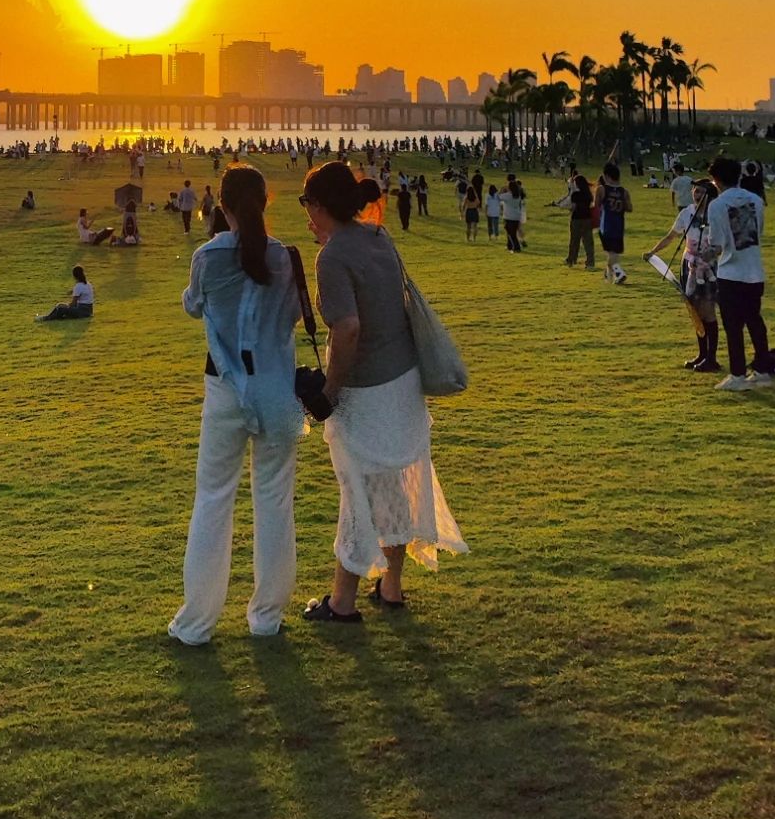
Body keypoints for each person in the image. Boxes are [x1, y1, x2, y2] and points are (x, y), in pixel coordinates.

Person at [299, 162, 466, 623]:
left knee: (358, 490)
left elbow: (348, 328)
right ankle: (390, 586)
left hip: (364, 390)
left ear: (318, 204)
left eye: (306, 204)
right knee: (394, 482)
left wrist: (329, 392)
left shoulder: (332, 257)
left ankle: (342, 601)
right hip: (403, 383)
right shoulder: (378, 237)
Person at [168, 164, 302, 646]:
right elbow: (289, 318)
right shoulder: (285, 258)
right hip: (275, 388)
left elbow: (193, 306)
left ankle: (196, 623)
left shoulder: (208, 256)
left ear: (221, 206)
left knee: (213, 500)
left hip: (224, 388)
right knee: (274, 503)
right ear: (265, 202)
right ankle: (266, 618)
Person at [706, 156, 775, 390]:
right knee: (755, 322)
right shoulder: (756, 200)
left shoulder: (716, 205)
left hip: (731, 274)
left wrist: (704, 255)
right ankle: (762, 369)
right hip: (755, 271)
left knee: (733, 327)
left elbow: (717, 245)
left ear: (716, 180)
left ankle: (737, 375)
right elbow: (759, 233)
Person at [643, 179, 720, 372]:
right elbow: (671, 236)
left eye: (701, 192)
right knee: (694, 310)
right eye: (695, 191)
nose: (697, 195)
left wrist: (710, 254)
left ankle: (712, 358)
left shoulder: (716, 215)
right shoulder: (687, 213)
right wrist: (653, 252)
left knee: (707, 311)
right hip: (689, 264)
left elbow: (722, 244)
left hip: (708, 267)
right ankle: (702, 354)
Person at [594, 163, 633, 282]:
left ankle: (617, 273)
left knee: (612, 252)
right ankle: (611, 274)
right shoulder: (624, 192)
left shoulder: (601, 189)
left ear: (606, 176)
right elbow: (629, 208)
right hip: (619, 225)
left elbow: (596, 205)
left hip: (606, 225)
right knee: (614, 252)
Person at [563, 175, 596, 269]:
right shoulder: (588, 194)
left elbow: (572, 207)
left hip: (576, 219)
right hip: (587, 218)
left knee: (574, 241)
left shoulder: (575, 195)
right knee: (588, 242)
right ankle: (590, 262)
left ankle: (572, 259)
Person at [501, 178, 525, 252]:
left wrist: (503, 189)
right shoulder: (518, 196)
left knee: (511, 234)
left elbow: (498, 197)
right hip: (516, 216)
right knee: (512, 232)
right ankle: (510, 245)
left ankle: (516, 248)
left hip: (508, 216)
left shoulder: (508, 195)